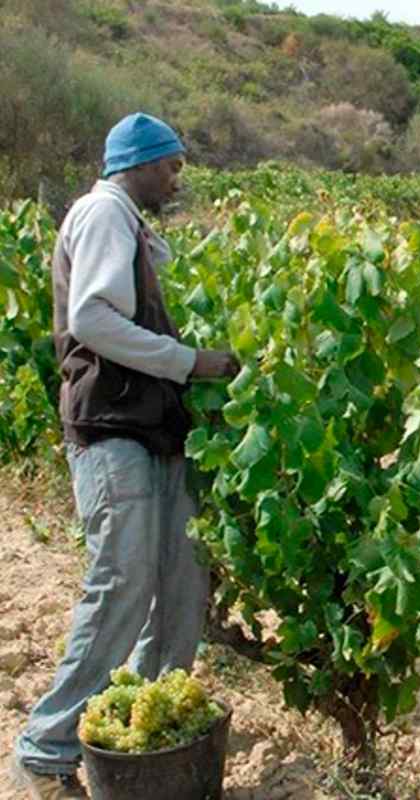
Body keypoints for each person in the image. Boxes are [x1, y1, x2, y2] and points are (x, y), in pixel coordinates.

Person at [10, 113, 240, 799]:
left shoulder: (131, 227)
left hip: (151, 431)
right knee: (123, 585)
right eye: (170, 165)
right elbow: (92, 319)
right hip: (113, 428)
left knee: (178, 586)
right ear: (138, 163)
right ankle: (44, 752)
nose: (176, 178)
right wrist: (188, 362)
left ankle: (142, 737)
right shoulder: (103, 211)